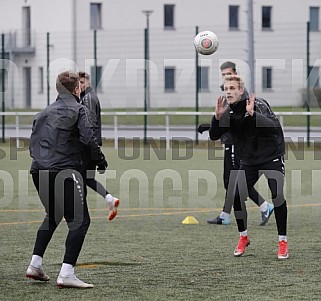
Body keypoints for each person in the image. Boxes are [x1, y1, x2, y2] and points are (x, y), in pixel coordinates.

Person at [26, 71, 108, 288]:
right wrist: (100, 160)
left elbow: (32, 144)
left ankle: (35, 264)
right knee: (80, 221)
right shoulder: (78, 109)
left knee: (53, 215)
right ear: (76, 89)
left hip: (37, 170)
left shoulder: (43, 113)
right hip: (64, 171)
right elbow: (88, 138)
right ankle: (66, 273)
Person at [209, 74, 288, 259]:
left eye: (232, 89)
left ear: (241, 91)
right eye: (226, 89)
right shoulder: (227, 112)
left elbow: (273, 127)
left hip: (271, 155)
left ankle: (282, 242)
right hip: (250, 160)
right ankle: (243, 237)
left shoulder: (257, 104)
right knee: (235, 195)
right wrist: (216, 118)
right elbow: (214, 135)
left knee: (277, 195)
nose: (228, 92)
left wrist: (253, 115)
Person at [200, 61, 274, 226]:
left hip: (237, 143)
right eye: (223, 76)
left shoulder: (240, 93)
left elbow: (237, 119)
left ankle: (262, 206)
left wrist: (214, 125)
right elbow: (225, 119)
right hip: (229, 141)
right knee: (232, 180)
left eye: (227, 74)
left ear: (234, 72)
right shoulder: (227, 93)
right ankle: (227, 214)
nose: (226, 79)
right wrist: (212, 125)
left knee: (233, 181)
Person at [79, 71, 119, 221]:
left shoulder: (88, 98)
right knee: (86, 178)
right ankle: (109, 198)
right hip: (91, 145)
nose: (80, 85)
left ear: (88, 82)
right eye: (79, 83)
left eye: (83, 82)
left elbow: (90, 124)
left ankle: (79, 212)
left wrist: (91, 146)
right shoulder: (87, 97)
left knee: (79, 177)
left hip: (88, 146)